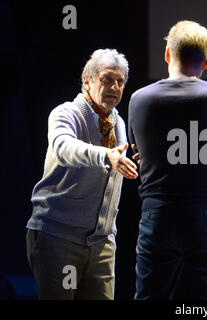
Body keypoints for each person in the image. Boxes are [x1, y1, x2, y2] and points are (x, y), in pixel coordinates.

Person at [128, 20, 207, 300]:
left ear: (168, 54)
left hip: (158, 212)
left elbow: (137, 149)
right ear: (206, 61)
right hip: (206, 213)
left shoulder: (139, 99)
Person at [26, 49, 138, 300]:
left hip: (102, 242)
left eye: (120, 81)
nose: (115, 87)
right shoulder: (66, 113)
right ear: (87, 80)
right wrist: (105, 156)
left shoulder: (118, 123)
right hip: (59, 237)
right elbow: (64, 147)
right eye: (107, 79)